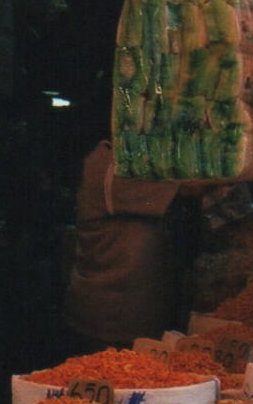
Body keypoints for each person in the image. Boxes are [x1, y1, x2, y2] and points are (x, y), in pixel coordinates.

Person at [62, 139, 182, 351]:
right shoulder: (110, 163)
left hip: (133, 315)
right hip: (111, 321)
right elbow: (192, 187)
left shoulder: (134, 158)